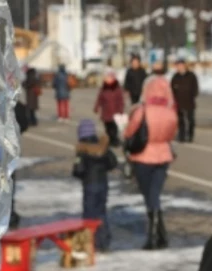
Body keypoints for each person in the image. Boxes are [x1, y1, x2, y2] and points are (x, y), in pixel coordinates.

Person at [122, 75, 177, 250]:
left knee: (149, 196)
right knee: (155, 194)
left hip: (144, 156)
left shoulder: (142, 110)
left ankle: (154, 237)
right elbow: (171, 135)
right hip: (163, 156)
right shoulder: (170, 112)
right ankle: (161, 234)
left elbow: (130, 131)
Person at [72, 119, 117, 251]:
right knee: (101, 212)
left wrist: (81, 173)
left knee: (89, 214)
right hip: (103, 184)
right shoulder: (103, 147)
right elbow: (112, 162)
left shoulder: (82, 151)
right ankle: (104, 240)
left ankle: (90, 241)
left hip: (89, 185)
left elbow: (78, 170)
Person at [10, 94, 31, 231]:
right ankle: (10, 216)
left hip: (1, 153)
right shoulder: (17, 105)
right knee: (9, 184)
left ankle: (9, 216)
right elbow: (24, 124)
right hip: (11, 151)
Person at [170, 59, 199, 143]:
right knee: (181, 120)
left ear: (184, 66)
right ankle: (181, 136)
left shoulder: (191, 75)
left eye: (181, 65)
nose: (179, 67)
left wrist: (193, 95)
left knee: (191, 120)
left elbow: (195, 87)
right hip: (178, 102)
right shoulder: (175, 77)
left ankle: (190, 135)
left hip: (189, 101)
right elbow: (171, 89)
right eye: (178, 66)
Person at [94, 70, 126, 146]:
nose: (108, 79)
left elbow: (121, 100)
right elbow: (99, 99)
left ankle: (114, 140)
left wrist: (121, 109)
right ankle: (110, 140)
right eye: (106, 78)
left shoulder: (117, 89)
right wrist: (96, 107)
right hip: (106, 112)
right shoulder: (103, 88)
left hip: (115, 112)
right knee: (108, 128)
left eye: (109, 78)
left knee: (114, 128)